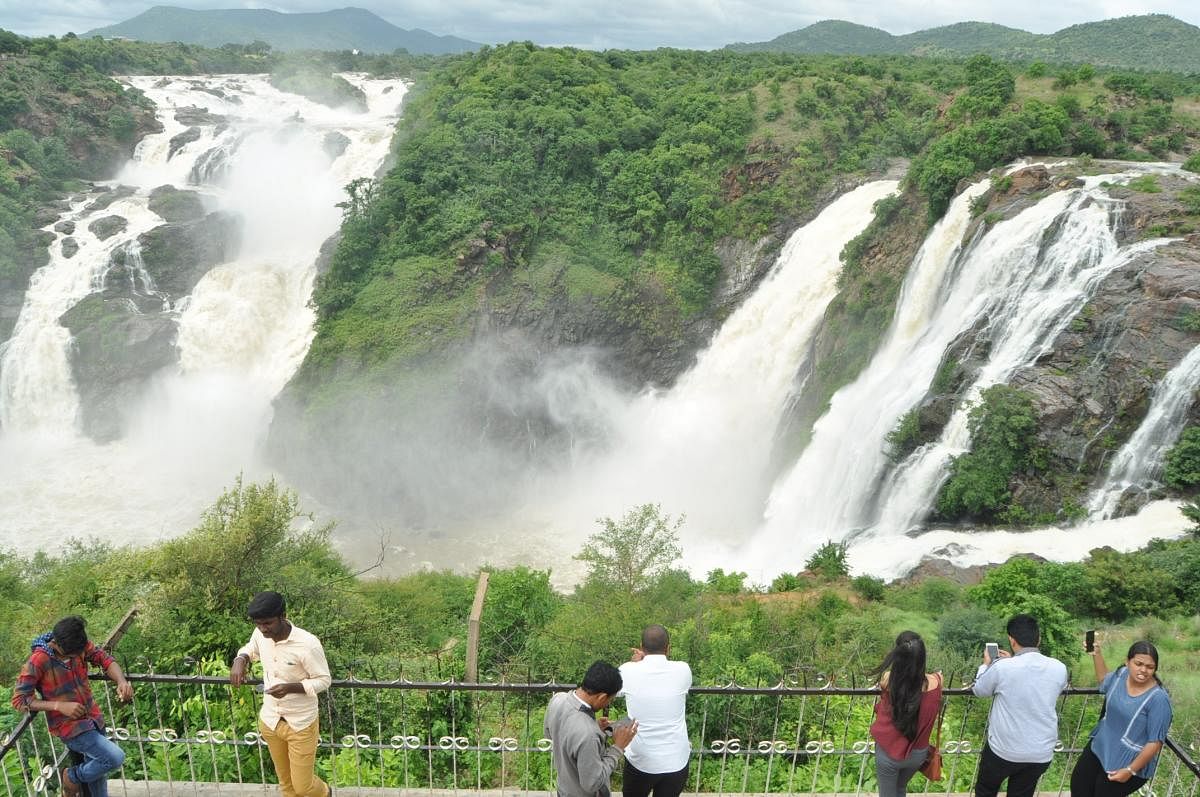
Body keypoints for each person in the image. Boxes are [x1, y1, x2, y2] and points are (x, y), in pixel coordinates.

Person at [11, 615, 134, 797]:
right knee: (114, 757)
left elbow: (105, 659)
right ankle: (72, 776)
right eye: (73, 654)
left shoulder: (78, 643)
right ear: (57, 645)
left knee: (99, 780)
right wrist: (59, 706)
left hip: (94, 719)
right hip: (70, 727)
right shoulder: (39, 660)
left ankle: (79, 779)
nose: (79, 655)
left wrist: (121, 681)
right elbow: (19, 700)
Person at [230, 591, 332, 797]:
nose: (262, 628)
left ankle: (327, 793)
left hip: (300, 723)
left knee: (303, 787)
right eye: (258, 624)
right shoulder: (260, 634)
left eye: (267, 623)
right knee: (286, 785)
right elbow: (251, 648)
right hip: (271, 721)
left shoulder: (308, 644)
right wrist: (240, 659)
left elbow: (324, 680)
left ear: (283, 615)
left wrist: (290, 687)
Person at [971, 613, 1069, 797]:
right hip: (1040, 752)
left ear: (1011, 640)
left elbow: (980, 690)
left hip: (1003, 750)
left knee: (986, 790)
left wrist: (986, 666)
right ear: (1038, 639)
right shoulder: (1059, 667)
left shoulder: (1002, 668)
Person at [1070, 640, 1172, 797]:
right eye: (1138, 663)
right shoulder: (1121, 674)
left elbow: (1155, 742)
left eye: (1150, 667)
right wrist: (1096, 654)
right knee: (1079, 787)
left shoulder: (1158, 699)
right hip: (1100, 746)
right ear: (1127, 661)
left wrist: (1130, 770)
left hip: (1126, 761)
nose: (1143, 670)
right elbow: (1104, 680)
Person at [617, 625, 693, 797]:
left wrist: (638, 662)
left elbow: (616, 690)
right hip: (676, 760)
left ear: (641, 647)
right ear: (668, 648)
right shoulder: (683, 669)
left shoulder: (627, 670)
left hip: (640, 759)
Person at [544, 660, 639, 797]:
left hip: (563, 790)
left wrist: (596, 727)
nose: (608, 703)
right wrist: (618, 747)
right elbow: (592, 784)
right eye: (609, 700)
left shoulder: (558, 699)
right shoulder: (588, 733)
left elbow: (550, 735)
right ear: (601, 697)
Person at [868, 631, 942, 797]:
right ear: (922, 657)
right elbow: (929, 680)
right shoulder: (937, 682)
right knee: (900, 788)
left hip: (889, 753)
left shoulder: (889, 681)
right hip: (918, 755)